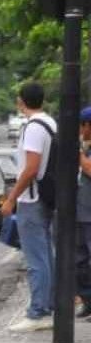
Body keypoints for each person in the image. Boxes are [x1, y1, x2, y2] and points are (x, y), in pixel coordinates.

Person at [1, 82, 56, 332]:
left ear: (21, 101)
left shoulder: (33, 128)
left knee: (36, 259)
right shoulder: (50, 123)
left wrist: (12, 197)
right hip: (44, 197)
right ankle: (49, 306)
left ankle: (38, 312)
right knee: (46, 256)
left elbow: (31, 168)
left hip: (31, 200)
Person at [78, 107, 91, 319]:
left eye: (81, 126)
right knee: (80, 259)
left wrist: (78, 153)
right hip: (82, 214)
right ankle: (88, 301)